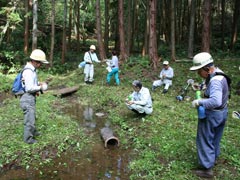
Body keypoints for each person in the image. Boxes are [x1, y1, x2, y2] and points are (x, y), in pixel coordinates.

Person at [190, 52, 230, 178]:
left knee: (205, 138)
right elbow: (213, 87)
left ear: (206, 69)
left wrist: (199, 101)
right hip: (222, 113)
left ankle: (207, 169)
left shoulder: (216, 82)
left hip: (212, 115)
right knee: (215, 137)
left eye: (198, 70)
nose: (198, 73)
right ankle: (213, 157)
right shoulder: (218, 73)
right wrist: (201, 86)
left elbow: (215, 100)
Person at [20, 49, 49, 144]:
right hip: (27, 98)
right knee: (29, 120)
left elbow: (32, 83)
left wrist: (39, 83)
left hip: (30, 98)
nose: (41, 65)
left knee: (31, 116)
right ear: (35, 61)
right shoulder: (28, 71)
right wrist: (41, 88)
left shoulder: (32, 70)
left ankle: (33, 132)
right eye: (40, 63)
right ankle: (28, 139)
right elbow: (29, 88)